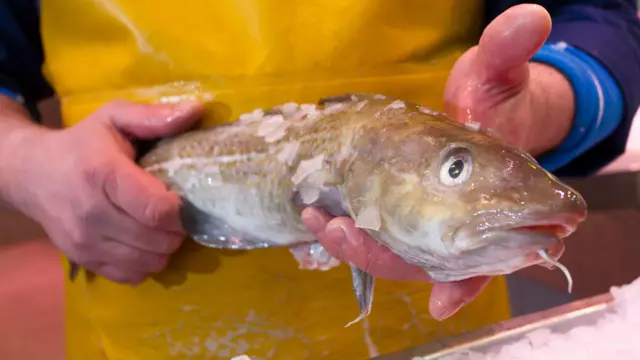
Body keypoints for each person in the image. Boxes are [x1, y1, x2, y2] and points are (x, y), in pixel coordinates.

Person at [0, 0, 638, 359]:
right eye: (455, 171)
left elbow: (595, 15)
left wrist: (546, 104)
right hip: (141, 310)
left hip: (436, 333)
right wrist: (26, 162)